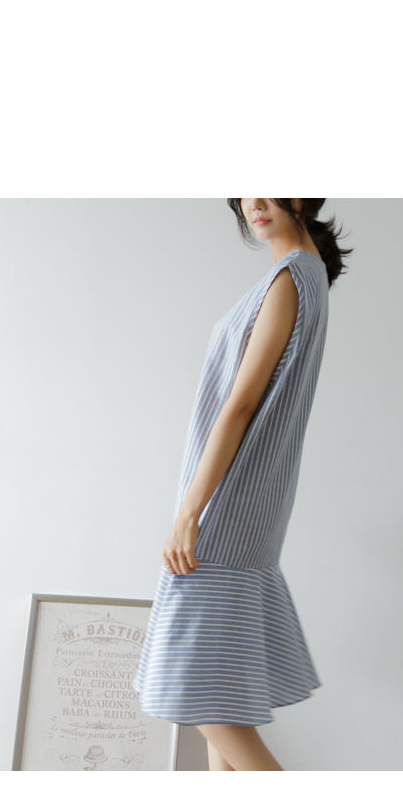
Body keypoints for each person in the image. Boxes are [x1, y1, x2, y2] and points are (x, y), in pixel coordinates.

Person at [137, 193, 344, 764]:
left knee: (197, 694)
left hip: (225, 512)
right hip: (247, 508)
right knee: (217, 692)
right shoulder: (306, 276)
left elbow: (242, 404)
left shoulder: (291, 277)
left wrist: (188, 514)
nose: (254, 201)